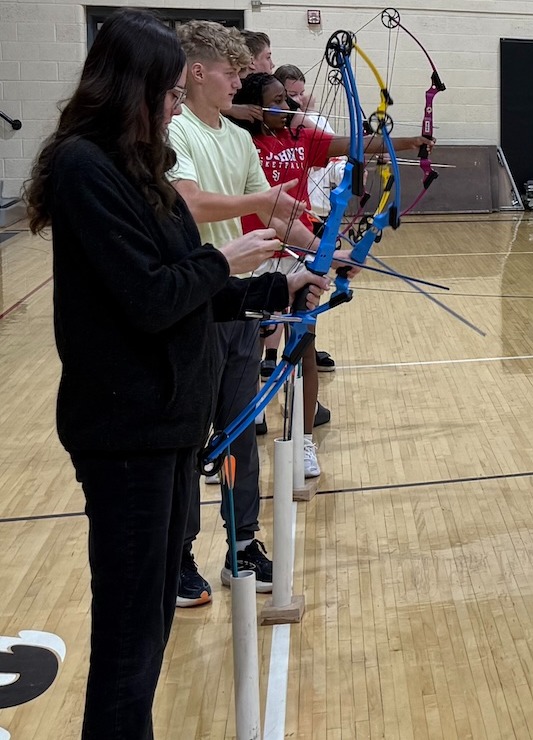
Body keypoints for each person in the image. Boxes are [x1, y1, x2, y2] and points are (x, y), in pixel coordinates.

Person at [20, 9, 325, 736]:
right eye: (163, 90)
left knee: (149, 625)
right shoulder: (85, 169)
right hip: (125, 430)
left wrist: (275, 287)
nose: (170, 104)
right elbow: (154, 294)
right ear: (133, 86)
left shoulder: (134, 165)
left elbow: (186, 280)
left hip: (164, 426)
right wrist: (230, 259)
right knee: (129, 640)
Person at [166, 19, 317, 606]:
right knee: (188, 437)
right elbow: (191, 205)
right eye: (233, 74)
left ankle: (242, 546)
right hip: (194, 302)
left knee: (238, 432)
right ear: (198, 72)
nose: (239, 85)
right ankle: (178, 555)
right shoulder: (173, 131)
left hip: (241, 302)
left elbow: (277, 214)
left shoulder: (233, 136)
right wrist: (261, 202)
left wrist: (325, 250)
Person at [231, 73, 428, 477]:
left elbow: (357, 145)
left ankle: (303, 443)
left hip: (303, 252)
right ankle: (238, 434)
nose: (288, 107)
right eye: (277, 101)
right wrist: (238, 111)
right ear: (255, 107)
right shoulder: (239, 139)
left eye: (288, 100)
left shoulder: (301, 139)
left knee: (303, 345)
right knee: (243, 348)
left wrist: (406, 143)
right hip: (253, 250)